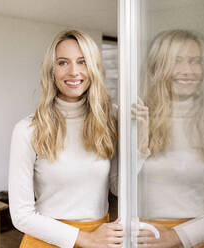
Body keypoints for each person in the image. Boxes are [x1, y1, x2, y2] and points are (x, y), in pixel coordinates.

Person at [8, 29, 124, 248]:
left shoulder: (110, 119)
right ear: (51, 70)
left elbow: (119, 187)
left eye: (82, 62)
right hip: (46, 241)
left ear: (94, 68)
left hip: (101, 238)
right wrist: (85, 239)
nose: (73, 71)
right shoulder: (27, 130)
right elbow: (21, 215)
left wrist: (142, 147)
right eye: (63, 63)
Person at [132, 29, 204, 248]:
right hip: (146, 238)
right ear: (158, 66)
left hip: (200, 239)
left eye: (196, 61)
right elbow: (117, 187)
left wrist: (175, 237)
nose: (189, 71)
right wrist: (140, 143)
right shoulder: (138, 116)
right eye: (177, 61)